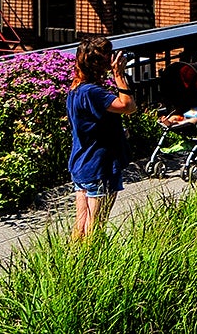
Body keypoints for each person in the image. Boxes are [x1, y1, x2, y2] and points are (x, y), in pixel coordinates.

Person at [66, 36, 137, 240]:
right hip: (99, 166)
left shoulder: (76, 89)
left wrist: (115, 131)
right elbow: (128, 106)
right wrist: (119, 75)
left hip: (82, 163)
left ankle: (73, 265)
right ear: (101, 63)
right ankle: (93, 267)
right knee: (94, 230)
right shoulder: (93, 92)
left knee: (80, 227)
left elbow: (89, 124)